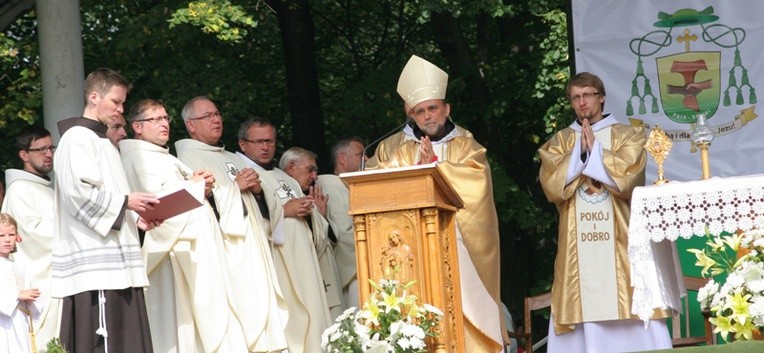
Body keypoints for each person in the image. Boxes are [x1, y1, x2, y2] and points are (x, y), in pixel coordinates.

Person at [365, 55, 504, 352]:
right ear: (409, 113)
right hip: (411, 252)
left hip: (457, 250)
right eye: (420, 111)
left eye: (433, 108)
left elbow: (477, 187)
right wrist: (417, 170)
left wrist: (435, 167)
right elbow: (376, 190)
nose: (428, 116)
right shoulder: (390, 148)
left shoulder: (466, 143)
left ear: (446, 108)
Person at [538, 72, 672, 352]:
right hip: (577, 242)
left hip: (621, 236)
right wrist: (580, 154)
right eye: (575, 97)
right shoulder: (560, 141)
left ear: (601, 97)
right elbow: (552, 186)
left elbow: (629, 179)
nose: (582, 102)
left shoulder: (628, 134)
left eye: (587, 95)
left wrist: (596, 151)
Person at [120, 99, 251, 353]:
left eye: (165, 118)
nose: (163, 124)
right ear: (137, 126)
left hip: (196, 252)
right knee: (181, 329)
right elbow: (155, 208)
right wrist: (193, 185)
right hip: (172, 258)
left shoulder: (165, 157)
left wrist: (205, 187)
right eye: (154, 119)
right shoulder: (136, 158)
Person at [53, 68, 160, 353]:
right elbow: (78, 195)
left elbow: (109, 196)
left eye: (123, 103)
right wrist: (126, 202)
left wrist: (136, 221)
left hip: (118, 263)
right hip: (97, 269)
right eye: (116, 102)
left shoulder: (105, 143)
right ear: (93, 96)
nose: (120, 109)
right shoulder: (76, 138)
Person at [175, 96, 288, 352]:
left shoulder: (233, 158)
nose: (216, 120)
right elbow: (201, 207)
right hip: (229, 253)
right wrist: (235, 188)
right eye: (208, 116)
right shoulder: (187, 158)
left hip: (254, 248)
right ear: (191, 125)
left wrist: (259, 191)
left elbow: (262, 207)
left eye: (217, 114)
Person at [236, 118, 333, 352]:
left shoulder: (285, 177)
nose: (265, 147)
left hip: (306, 263)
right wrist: (283, 212)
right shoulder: (242, 174)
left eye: (270, 141)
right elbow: (239, 218)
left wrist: (311, 215)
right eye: (259, 141)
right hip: (279, 263)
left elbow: (317, 226)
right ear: (242, 144)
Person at [1, 126, 61, 352]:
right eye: (41, 149)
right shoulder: (20, 191)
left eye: (51, 148)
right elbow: (34, 238)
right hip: (39, 281)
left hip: (54, 276)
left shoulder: (45, 187)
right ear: (24, 155)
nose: (48, 154)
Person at [279, 147, 345, 318]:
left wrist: (321, 217)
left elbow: (327, 241)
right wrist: (318, 218)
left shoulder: (309, 196)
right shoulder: (280, 196)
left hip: (326, 275)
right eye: (310, 169)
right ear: (291, 167)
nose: (315, 177)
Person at [315, 137, 366, 308]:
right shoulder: (331, 188)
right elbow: (342, 234)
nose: (366, 160)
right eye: (361, 155)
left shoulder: (345, 187)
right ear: (342, 159)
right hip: (353, 273)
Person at [0, 213, 42, 353]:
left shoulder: (20, 267)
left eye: (11, 235)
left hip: (20, 322)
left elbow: (27, 293)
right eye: (1, 236)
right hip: (4, 324)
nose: (7, 240)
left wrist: (31, 300)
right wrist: (16, 295)